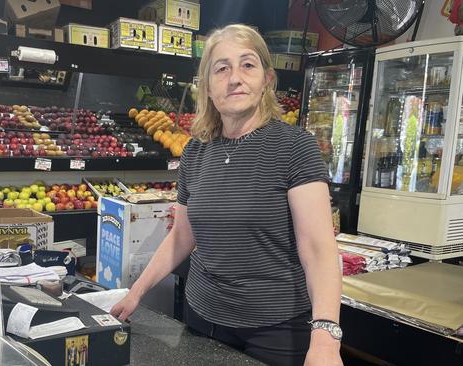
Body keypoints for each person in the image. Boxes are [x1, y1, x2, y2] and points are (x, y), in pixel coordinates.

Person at [110, 24, 343, 366]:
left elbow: (319, 248)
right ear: (207, 86)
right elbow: (182, 236)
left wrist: (325, 336)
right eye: (222, 68)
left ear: (267, 79)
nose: (235, 78)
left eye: (248, 65)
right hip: (203, 317)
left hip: (275, 330)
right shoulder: (196, 152)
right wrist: (136, 292)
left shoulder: (296, 147)